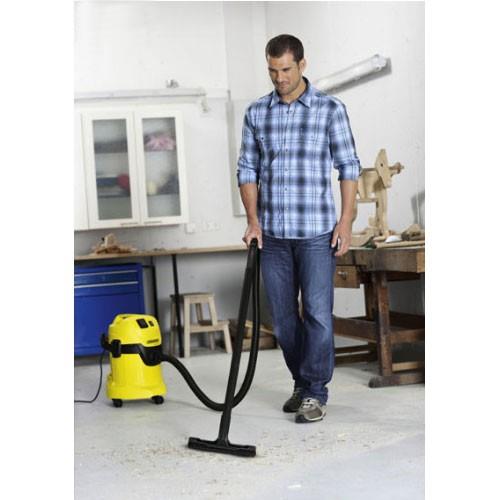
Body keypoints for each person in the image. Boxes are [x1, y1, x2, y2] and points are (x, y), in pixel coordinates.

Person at [237, 34, 361, 423]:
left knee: (319, 315)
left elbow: (349, 167)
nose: (280, 78)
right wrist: (253, 221)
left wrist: (346, 221)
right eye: (272, 71)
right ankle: (302, 383)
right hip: (273, 236)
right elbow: (247, 169)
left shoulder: (330, 109)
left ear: (302, 65)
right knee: (284, 320)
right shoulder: (257, 112)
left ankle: (315, 392)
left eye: (286, 70)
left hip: (316, 234)